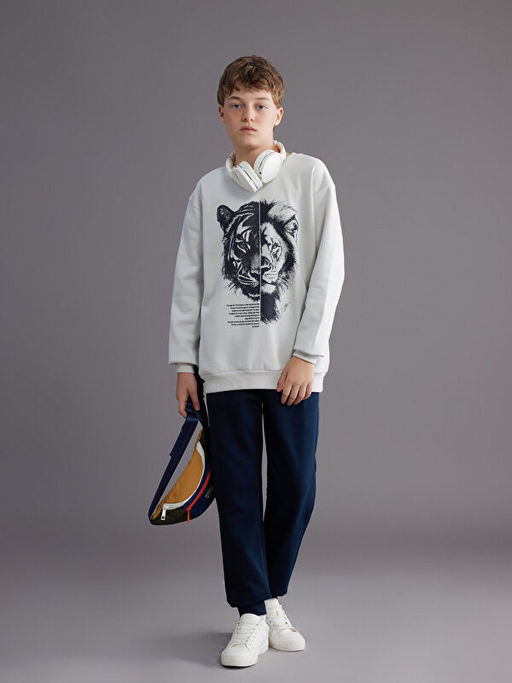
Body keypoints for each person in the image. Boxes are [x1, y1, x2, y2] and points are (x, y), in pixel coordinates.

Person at [168, 55, 345, 667]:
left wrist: (306, 354)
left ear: (278, 114)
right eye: (237, 105)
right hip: (224, 367)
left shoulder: (310, 176)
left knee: (296, 486)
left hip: (292, 368)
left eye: (260, 105)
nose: (249, 115)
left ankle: (266, 595)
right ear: (221, 114)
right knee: (240, 492)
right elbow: (189, 281)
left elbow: (328, 271)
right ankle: (252, 612)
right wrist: (184, 363)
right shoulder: (207, 191)